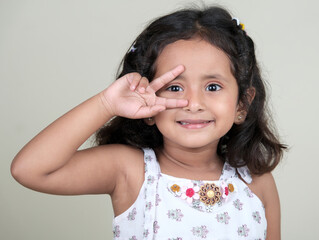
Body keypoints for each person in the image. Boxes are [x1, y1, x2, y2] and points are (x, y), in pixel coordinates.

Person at [11, 6, 286, 240]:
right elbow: (30, 170)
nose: (193, 103)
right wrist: (106, 104)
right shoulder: (131, 171)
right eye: (175, 88)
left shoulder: (256, 182)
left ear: (242, 105)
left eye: (213, 87)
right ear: (149, 106)